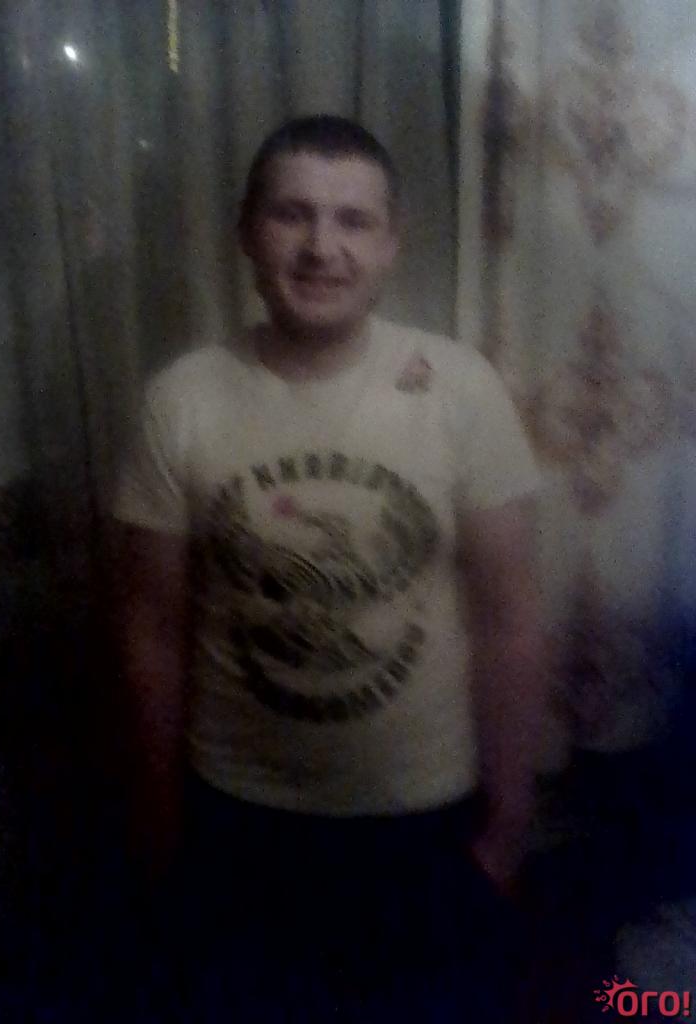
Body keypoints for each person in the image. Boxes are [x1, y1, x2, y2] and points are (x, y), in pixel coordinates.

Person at [113, 114, 544, 1021]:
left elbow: (509, 616)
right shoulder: (179, 401)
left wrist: (509, 822)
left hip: (425, 820)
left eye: (353, 220)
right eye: (292, 214)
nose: (321, 248)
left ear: (391, 243)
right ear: (246, 231)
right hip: (236, 818)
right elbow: (150, 627)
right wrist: (156, 813)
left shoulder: (461, 388)